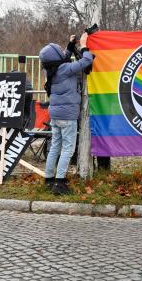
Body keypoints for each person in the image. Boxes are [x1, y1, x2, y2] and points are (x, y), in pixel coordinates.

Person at [39, 33, 93, 195]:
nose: (64, 53)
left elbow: (62, 59)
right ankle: (60, 182)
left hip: (55, 115)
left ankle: (49, 179)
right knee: (68, 149)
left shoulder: (49, 70)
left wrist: (70, 46)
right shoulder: (67, 69)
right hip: (68, 116)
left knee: (55, 147)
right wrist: (84, 45)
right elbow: (87, 61)